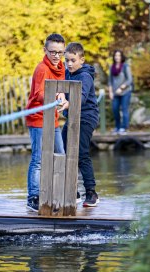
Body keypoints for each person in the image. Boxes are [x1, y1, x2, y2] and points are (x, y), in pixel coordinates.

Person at [26, 33, 67, 212]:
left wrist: (64, 99)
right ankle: (33, 196)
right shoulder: (42, 68)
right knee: (39, 158)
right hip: (38, 119)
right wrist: (55, 96)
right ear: (45, 50)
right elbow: (38, 94)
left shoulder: (62, 68)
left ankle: (62, 191)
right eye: (52, 52)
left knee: (61, 154)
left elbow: (64, 90)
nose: (56, 56)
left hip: (54, 119)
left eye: (60, 52)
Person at [60, 42, 99, 207]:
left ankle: (91, 192)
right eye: (67, 60)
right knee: (62, 149)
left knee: (81, 153)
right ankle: (72, 191)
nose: (69, 64)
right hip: (73, 117)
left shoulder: (85, 76)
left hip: (87, 117)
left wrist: (69, 103)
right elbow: (61, 87)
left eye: (73, 60)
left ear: (81, 60)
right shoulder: (67, 73)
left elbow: (81, 97)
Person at [108, 50, 133, 135]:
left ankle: (124, 128)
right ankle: (117, 127)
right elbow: (110, 81)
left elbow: (129, 80)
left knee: (124, 109)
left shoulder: (125, 66)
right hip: (115, 93)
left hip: (125, 92)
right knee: (115, 109)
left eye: (119, 55)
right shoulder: (112, 67)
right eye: (115, 55)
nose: (117, 57)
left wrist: (121, 88)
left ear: (121, 57)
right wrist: (111, 92)